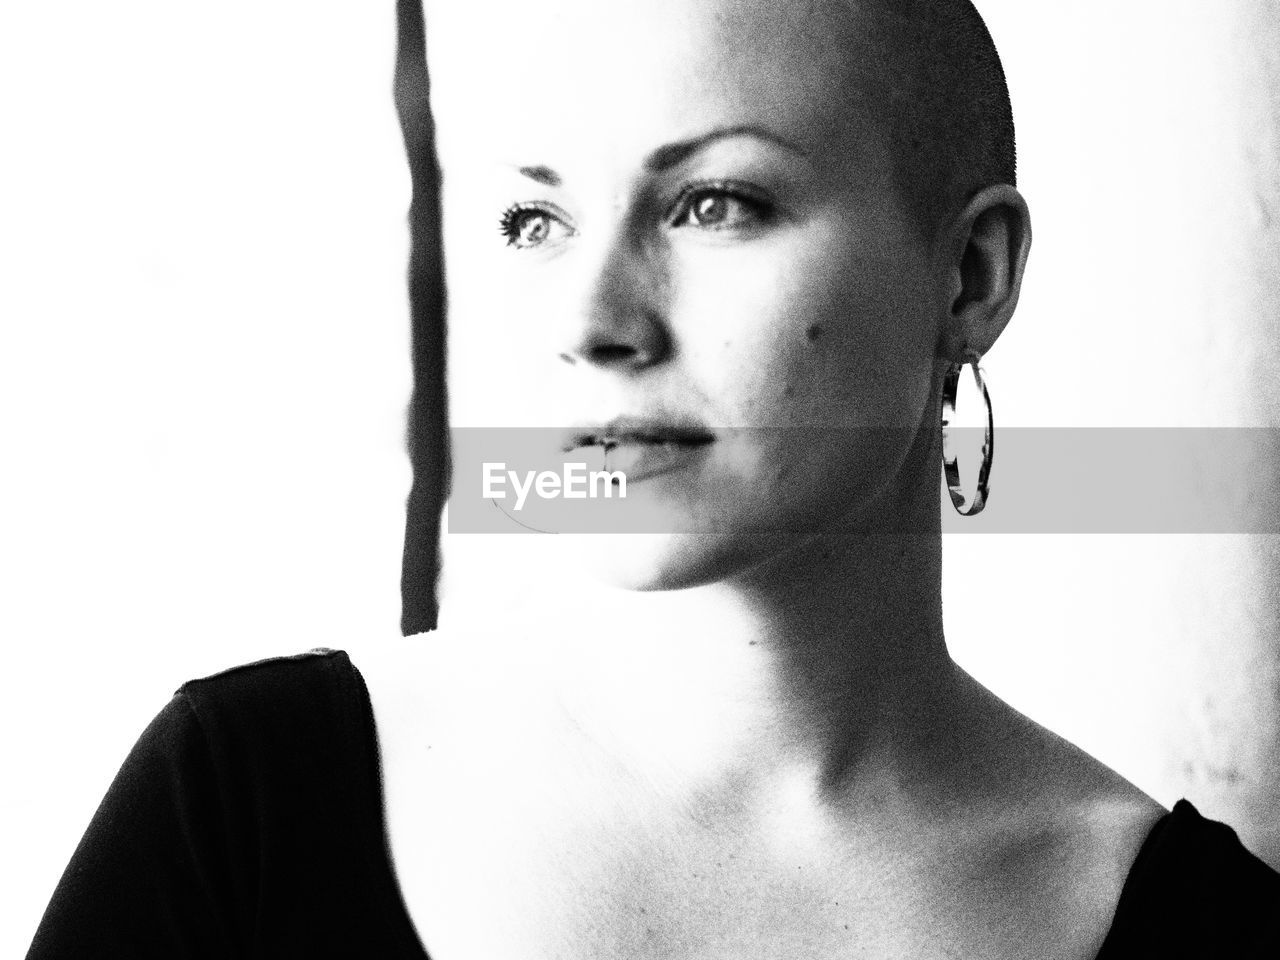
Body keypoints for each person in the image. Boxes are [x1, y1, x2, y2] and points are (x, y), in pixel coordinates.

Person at [25, 0, 1280, 957]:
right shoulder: (246, 805)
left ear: (969, 277)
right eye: (536, 223)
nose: (590, 320)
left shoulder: (1190, 927)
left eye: (712, 204)